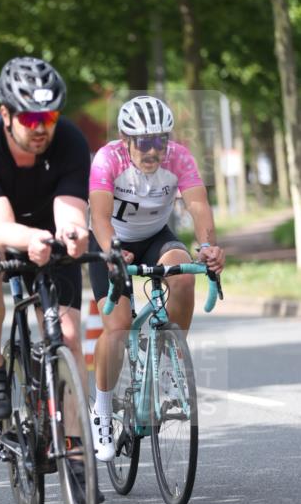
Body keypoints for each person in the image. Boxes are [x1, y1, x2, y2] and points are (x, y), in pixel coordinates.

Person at [0, 56, 91, 421]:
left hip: (43, 220)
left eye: (50, 117)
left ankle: (74, 449)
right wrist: (31, 240)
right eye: (30, 118)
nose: (41, 128)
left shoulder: (70, 141)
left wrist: (74, 235)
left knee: (69, 336)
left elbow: (70, 214)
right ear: (6, 114)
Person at [87, 95, 226, 461]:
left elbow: (197, 204)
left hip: (153, 236)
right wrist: (112, 251)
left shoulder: (178, 157)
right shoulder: (108, 159)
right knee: (117, 328)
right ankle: (101, 409)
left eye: (160, 141)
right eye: (144, 142)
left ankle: (170, 360)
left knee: (182, 276)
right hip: (110, 241)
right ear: (124, 138)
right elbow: (99, 216)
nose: (154, 151)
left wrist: (209, 246)